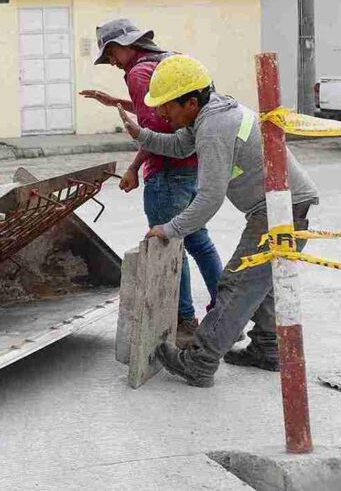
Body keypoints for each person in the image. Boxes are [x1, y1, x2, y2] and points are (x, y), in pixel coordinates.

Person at [116, 55, 319, 388]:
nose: (163, 114)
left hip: (280, 208)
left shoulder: (213, 128)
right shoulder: (213, 113)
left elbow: (209, 199)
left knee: (238, 283)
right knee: (261, 279)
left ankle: (200, 361)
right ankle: (268, 349)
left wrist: (170, 229)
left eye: (167, 106)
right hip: (285, 204)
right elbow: (181, 146)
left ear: (191, 102)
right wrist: (143, 136)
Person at [80, 18, 223, 348]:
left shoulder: (138, 72)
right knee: (198, 241)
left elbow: (156, 131)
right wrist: (116, 102)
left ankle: (184, 322)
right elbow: (161, 111)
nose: (113, 62)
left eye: (112, 53)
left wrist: (133, 168)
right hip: (192, 167)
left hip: (168, 172)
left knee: (170, 243)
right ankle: (225, 314)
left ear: (128, 45)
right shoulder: (165, 62)